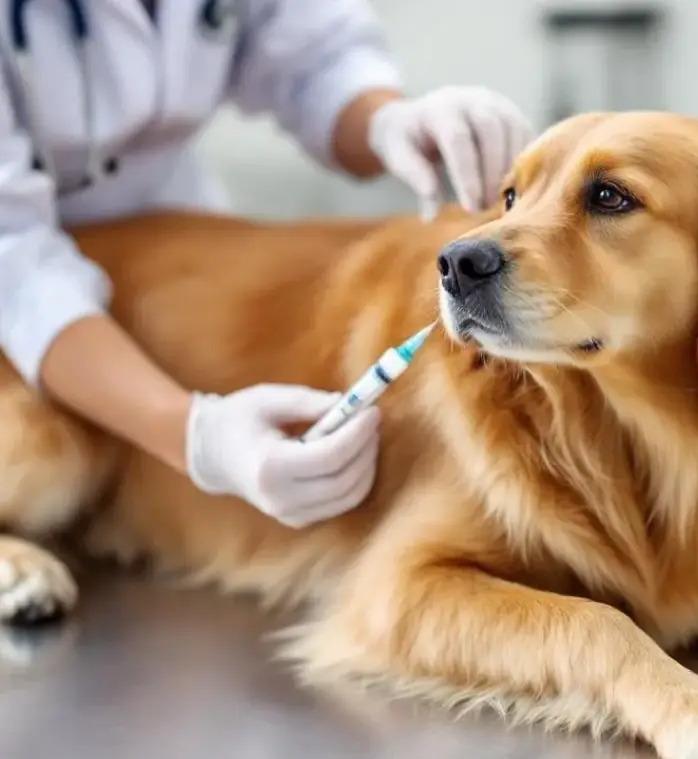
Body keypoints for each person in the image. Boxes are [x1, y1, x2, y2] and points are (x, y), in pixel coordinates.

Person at [0, 0, 533, 530]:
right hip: (30, 304)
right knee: (45, 469)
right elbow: (17, 270)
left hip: (173, 260)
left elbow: (315, 58)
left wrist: (387, 121)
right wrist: (194, 436)